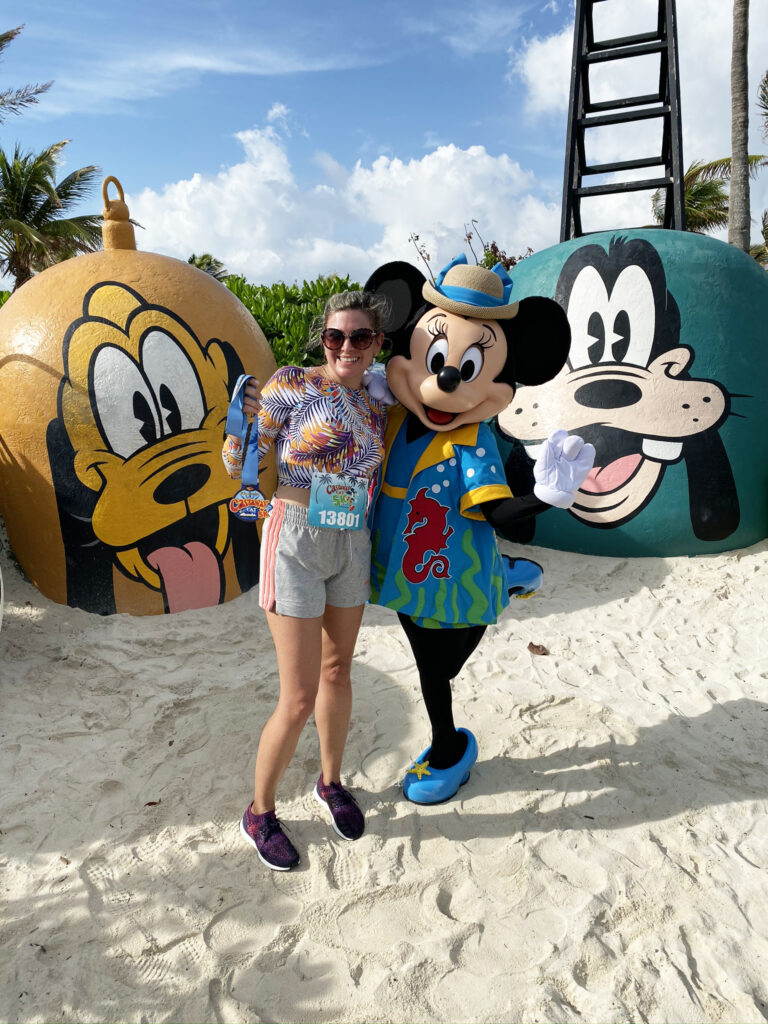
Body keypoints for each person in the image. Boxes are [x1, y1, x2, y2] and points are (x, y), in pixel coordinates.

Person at [222, 291, 388, 870]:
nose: (346, 346)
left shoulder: (376, 401)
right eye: (335, 336)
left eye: (359, 337)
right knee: (296, 696)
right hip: (293, 534)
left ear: (376, 345)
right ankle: (259, 812)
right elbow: (242, 454)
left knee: (337, 671)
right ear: (323, 339)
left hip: (351, 538)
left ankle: (330, 781)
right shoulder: (292, 383)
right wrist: (236, 434)